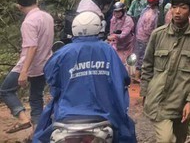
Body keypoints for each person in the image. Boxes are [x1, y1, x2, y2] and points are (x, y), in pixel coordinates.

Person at [33, 12, 136, 142]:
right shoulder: (108, 50)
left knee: (41, 133)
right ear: (98, 27)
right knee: (126, 132)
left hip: (66, 114)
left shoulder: (63, 53)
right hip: (105, 113)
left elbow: (51, 77)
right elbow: (123, 78)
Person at [140, 0, 190, 143]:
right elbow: (147, 65)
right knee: (166, 139)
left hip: (182, 102)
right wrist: (145, 92)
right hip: (159, 99)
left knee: (178, 140)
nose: (177, 11)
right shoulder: (158, 35)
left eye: (183, 8)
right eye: (174, 7)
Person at [0, 0, 54, 135]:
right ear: (36, 1)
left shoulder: (29, 22)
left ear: (19, 6)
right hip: (45, 63)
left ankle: (23, 119)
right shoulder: (47, 17)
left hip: (29, 64)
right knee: (36, 97)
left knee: (5, 90)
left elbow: (32, 47)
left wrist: (24, 71)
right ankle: (37, 132)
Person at [133, 0, 160, 81]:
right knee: (142, 57)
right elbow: (148, 29)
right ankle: (137, 76)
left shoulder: (146, 9)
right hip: (144, 38)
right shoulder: (151, 15)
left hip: (140, 35)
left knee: (141, 55)